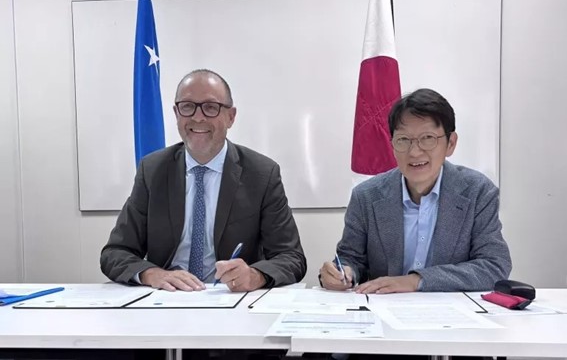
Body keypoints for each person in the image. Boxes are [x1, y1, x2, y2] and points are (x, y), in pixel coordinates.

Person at [101, 69, 306, 293]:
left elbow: (292, 257)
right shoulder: (152, 170)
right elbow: (115, 253)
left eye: (210, 107)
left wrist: (255, 276)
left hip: (231, 298)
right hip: (168, 297)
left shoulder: (262, 174)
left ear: (231, 116)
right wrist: (153, 274)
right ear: (176, 113)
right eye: (187, 106)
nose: (198, 117)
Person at [320, 88, 511, 294]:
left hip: (452, 310)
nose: (415, 152)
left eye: (428, 138)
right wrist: (343, 273)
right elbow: (351, 258)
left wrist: (415, 281)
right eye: (403, 140)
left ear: (450, 143)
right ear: (392, 144)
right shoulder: (366, 196)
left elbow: (494, 266)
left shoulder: (478, 192)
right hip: (384, 308)